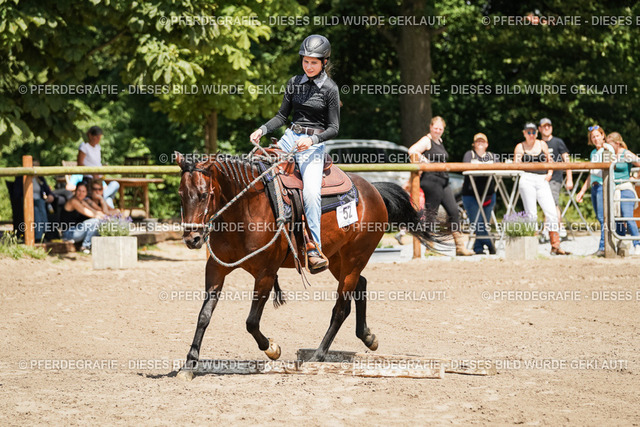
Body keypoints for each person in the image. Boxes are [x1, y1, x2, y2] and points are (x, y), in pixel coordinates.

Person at [249, 35, 339, 273]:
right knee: (258, 170)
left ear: (324, 62)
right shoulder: (294, 83)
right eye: (305, 61)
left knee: (310, 193)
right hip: (290, 137)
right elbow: (282, 116)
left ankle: (314, 248)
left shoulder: (330, 89)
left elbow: (334, 128)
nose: (308, 66)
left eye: (314, 62)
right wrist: (262, 129)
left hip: (313, 144)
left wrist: (312, 140)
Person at [409, 116, 473, 256]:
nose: (437, 131)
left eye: (440, 129)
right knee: (432, 213)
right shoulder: (427, 140)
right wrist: (425, 161)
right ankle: (430, 247)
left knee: (454, 211)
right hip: (431, 180)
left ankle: (460, 247)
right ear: (430, 127)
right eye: (435, 128)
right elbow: (412, 151)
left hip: (443, 181)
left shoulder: (440, 141)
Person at [514, 122, 570, 255]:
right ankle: (531, 248)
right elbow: (516, 164)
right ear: (524, 133)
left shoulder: (542, 144)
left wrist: (549, 173)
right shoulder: (520, 147)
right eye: (528, 132)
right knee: (531, 214)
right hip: (527, 178)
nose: (531, 134)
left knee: (551, 212)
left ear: (537, 133)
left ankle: (555, 245)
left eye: (533, 132)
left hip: (542, 179)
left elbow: (550, 160)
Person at [576, 125, 615, 257]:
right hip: (594, 186)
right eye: (593, 137)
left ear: (603, 135)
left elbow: (611, 165)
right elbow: (591, 174)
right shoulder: (593, 152)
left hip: (603, 185)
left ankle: (603, 247)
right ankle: (604, 246)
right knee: (600, 217)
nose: (596, 138)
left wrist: (606, 148)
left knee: (604, 217)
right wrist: (582, 191)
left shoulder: (607, 148)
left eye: (598, 135)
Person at [462, 133, 498, 254]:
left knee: (483, 224)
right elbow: (466, 167)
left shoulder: (492, 156)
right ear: (474, 144)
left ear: (487, 144)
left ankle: (478, 248)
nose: (480, 143)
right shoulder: (469, 155)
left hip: (488, 195)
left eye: (483, 141)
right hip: (470, 195)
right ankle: (490, 241)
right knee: (478, 224)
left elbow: (498, 167)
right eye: (478, 141)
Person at [538, 118, 573, 240]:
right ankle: (553, 229)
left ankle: (556, 230)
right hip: (541, 178)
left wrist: (569, 178)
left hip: (555, 178)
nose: (547, 128)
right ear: (540, 129)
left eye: (549, 126)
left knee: (553, 203)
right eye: (544, 126)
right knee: (545, 204)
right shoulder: (538, 143)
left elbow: (567, 160)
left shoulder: (558, 142)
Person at [607, 132, 640, 255]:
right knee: (617, 219)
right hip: (614, 190)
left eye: (609, 144)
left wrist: (636, 178)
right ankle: (622, 245)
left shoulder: (626, 153)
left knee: (628, 217)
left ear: (617, 143)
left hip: (625, 189)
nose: (608, 147)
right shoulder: (610, 155)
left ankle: (637, 244)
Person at [77, 126, 119, 208]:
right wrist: (93, 173)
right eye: (96, 137)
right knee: (107, 199)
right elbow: (80, 164)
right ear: (90, 136)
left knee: (115, 185)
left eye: (99, 137)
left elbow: (96, 162)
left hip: (99, 179)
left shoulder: (97, 147)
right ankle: (104, 203)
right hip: (89, 179)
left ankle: (103, 199)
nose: (98, 139)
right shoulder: (84, 146)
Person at [61, 182, 104, 254]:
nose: (81, 193)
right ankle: (85, 246)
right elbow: (91, 214)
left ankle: (89, 246)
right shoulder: (74, 201)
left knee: (97, 222)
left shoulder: (82, 201)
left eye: (83, 191)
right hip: (69, 233)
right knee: (96, 221)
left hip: (77, 231)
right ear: (75, 191)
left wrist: (104, 215)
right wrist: (104, 218)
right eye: (79, 190)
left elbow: (94, 211)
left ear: (86, 193)